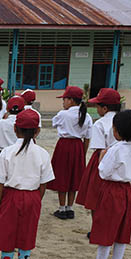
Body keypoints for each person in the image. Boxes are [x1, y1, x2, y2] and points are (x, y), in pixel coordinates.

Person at [0, 109, 54, 259]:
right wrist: (36, 200)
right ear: (38, 131)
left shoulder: (7, 152)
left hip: (11, 196)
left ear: (15, 129)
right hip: (32, 196)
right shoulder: (42, 153)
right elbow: (44, 183)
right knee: (27, 233)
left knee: (7, 233)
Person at [84, 110, 131, 259]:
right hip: (126, 190)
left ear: (117, 131)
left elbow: (103, 172)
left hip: (111, 190)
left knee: (106, 229)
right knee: (121, 230)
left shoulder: (115, 149)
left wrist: (103, 157)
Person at [50, 85, 92, 219]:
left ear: (72, 100)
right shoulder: (87, 116)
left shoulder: (64, 114)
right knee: (74, 177)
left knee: (62, 175)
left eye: (65, 99)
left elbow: (53, 123)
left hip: (64, 145)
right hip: (78, 146)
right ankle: (70, 207)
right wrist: (83, 153)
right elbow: (87, 138)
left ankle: (62, 208)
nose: (63, 102)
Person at [76, 88, 121, 212]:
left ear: (105, 108)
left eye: (97, 106)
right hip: (121, 159)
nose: (97, 109)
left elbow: (100, 148)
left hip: (102, 158)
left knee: (96, 198)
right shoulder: (123, 120)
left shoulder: (100, 124)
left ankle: (96, 228)